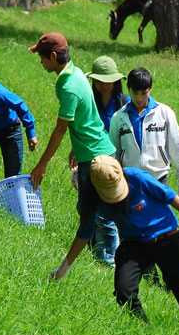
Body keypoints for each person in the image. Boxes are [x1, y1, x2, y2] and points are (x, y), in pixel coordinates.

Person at [51, 155, 179, 335]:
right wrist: (63, 268)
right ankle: (145, 333)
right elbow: (85, 232)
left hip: (167, 237)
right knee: (123, 292)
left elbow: (168, 195)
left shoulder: (137, 177)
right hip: (134, 244)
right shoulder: (91, 196)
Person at [28, 33, 117, 267]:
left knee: (101, 215)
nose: (41, 62)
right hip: (93, 150)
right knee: (86, 210)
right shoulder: (74, 73)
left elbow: (59, 130)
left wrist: (42, 164)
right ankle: (93, 256)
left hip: (97, 158)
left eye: (42, 57)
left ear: (54, 56)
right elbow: (85, 118)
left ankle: (109, 263)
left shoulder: (69, 87)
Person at [68, 55, 127, 266]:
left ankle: (110, 259)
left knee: (106, 212)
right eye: (100, 80)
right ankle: (95, 248)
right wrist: (74, 150)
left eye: (108, 80)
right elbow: (81, 127)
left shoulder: (124, 103)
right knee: (84, 207)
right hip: (88, 157)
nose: (104, 85)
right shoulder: (88, 100)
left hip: (114, 162)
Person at [109, 67, 179, 200]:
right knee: (133, 220)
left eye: (144, 93)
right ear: (128, 88)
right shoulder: (118, 118)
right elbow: (114, 153)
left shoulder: (164, 113)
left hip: (158, 179)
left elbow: (177, 147)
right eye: (135, 93)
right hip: (130, 181)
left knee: (159, 220)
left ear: (151, 89)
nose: (139, 98)